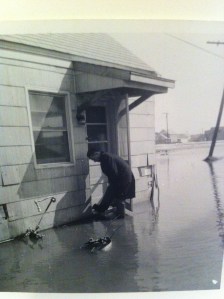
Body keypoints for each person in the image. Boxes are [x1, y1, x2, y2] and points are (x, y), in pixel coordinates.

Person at [87, 149, 135, 218]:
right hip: (122, 178)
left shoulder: (106, 158)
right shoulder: (105, 157)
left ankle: (120, 217)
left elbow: (113, 172)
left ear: (96, 153)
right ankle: (103, 209)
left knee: (119, 197)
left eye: (93, 158)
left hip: (123, 178)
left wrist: (113, 186)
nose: (94, 161)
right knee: (111, 193)